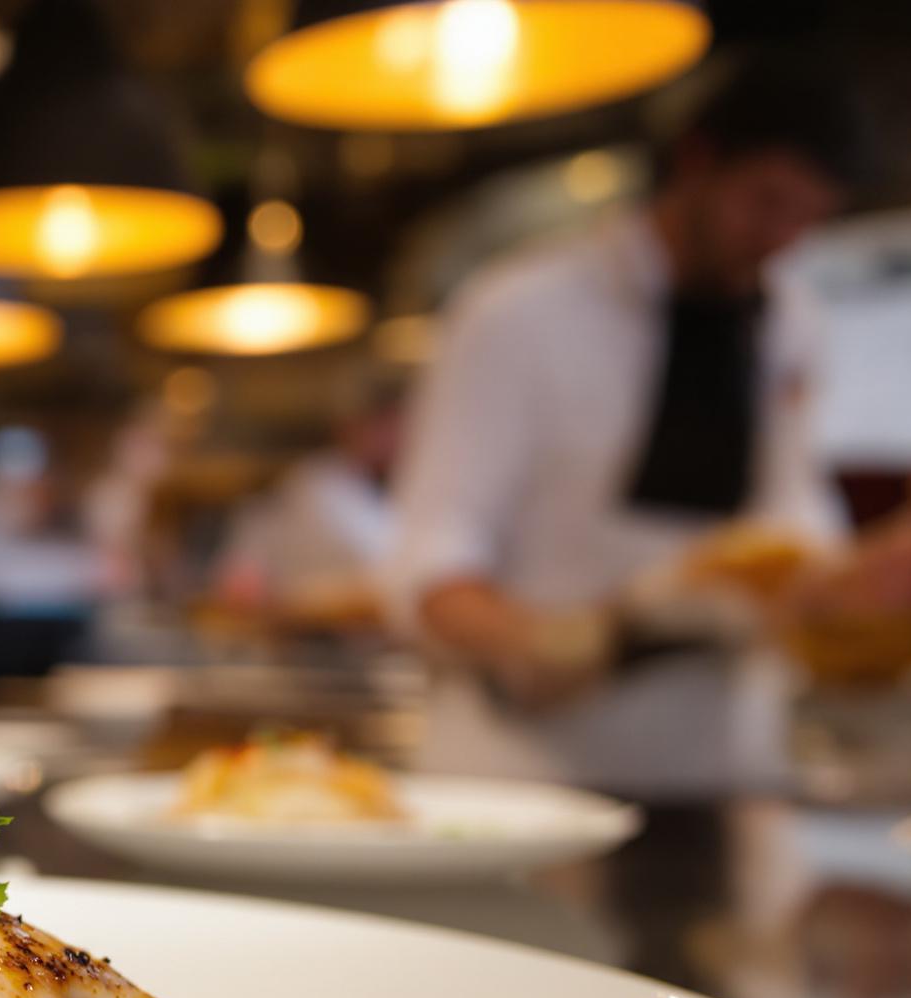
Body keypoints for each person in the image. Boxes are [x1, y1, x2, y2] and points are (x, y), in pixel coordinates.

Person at [390, 62, 871, 797]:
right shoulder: (518, 312)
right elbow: (433, 548)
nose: (780, 239)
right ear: (697, 160)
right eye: (765, 202)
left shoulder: (792, 325)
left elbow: (793, 512)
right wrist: (537, 643)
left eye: (808, 218)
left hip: (721, 768)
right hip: (526, 771)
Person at [213, 375, 407, 636]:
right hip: (316, 644)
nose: (404, 438)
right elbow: (384, 568)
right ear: (354, 426)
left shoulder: (376, 490)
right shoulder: (322, 486)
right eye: (391, 425)